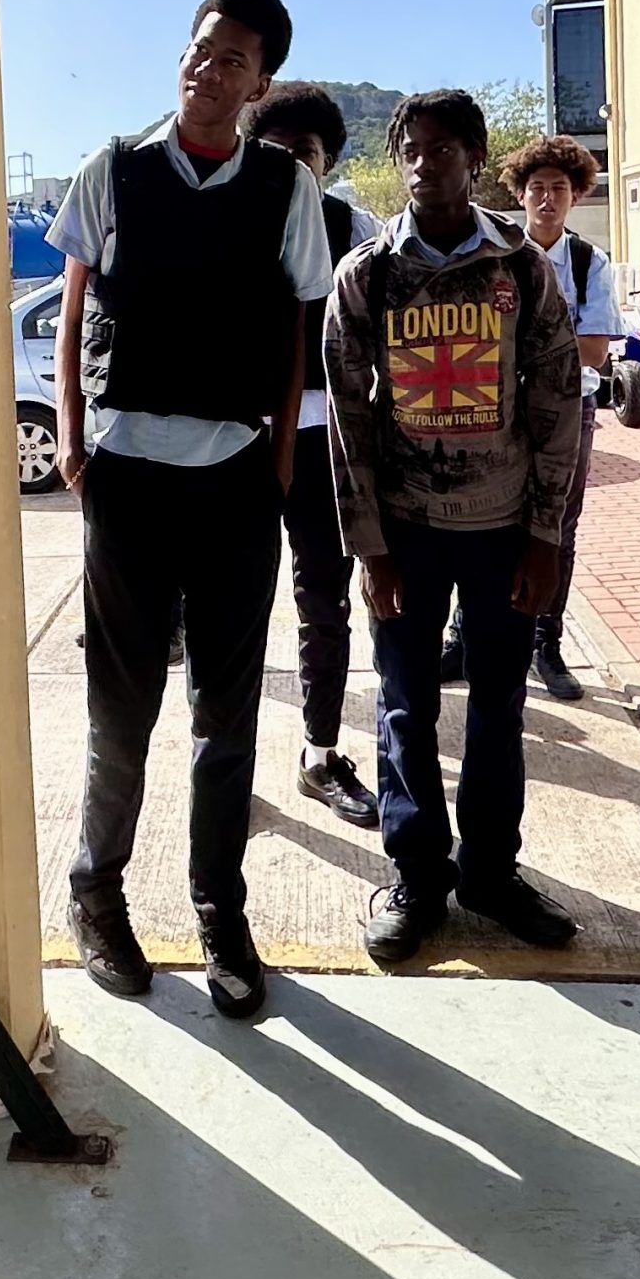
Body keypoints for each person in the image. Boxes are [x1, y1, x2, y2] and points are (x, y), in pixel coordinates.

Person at [48, 0, 335, 1018]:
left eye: (231, 61)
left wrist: (279, 462)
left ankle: (219, 906)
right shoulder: (113, 169)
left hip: (232, 478)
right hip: (126, 472)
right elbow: (78, 294)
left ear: (260, 83)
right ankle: (97, 893)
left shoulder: (280, 186)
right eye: (199, 49)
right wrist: (74, 441)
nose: (207, 69)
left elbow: (296, 324)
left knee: (225, 714)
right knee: (118, 708)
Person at [325, 92, 586, 967]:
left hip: (504, 526)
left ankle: (491, 873)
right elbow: (349, 425)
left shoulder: (523, 268)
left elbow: (556, 404)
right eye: (410, 146)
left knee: (500, 709)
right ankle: (417, 877)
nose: (422, 161)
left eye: (443, 148)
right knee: (405, 708)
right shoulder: (367, 276)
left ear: (476, 158)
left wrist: (546, 534)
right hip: (406, 531)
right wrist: (367, 543)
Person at [439, 137, 624, 700]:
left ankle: (546, 642)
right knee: (476, 521)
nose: (547, 199)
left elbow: (595, 352)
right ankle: (461, 638)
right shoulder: (496, 258)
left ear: (576, 196)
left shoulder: (591, 263)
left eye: (559, 189)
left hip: (569, 411)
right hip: (497, 410)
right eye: (537, 188)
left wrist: (523, 346)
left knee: (556, 528)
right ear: (519, 194)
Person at [246, 81, 383, 829]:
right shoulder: (227, 214)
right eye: (279, 151)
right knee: (226, 605)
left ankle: (319, 753)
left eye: (307, 153)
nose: (293, 166)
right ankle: (223, 762)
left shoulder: (353, 225)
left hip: (324, 436)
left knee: (323, 601)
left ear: (328, 161)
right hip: (234, 438)